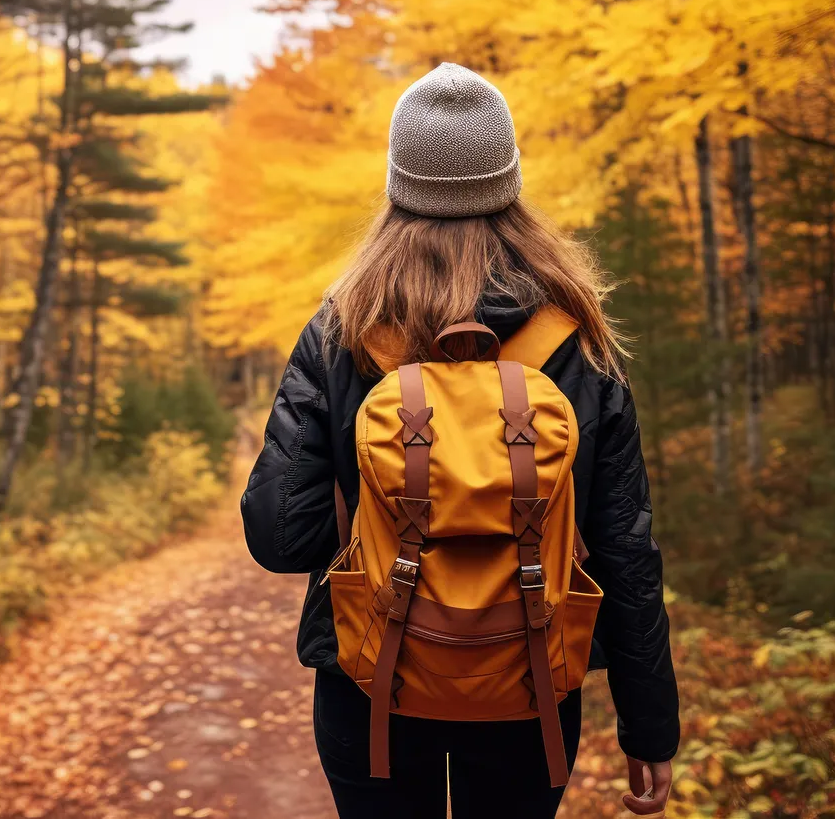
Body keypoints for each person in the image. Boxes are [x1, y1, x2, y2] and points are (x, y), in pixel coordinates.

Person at [240, 63, 679, 818]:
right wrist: (651, 724)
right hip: (530, 684)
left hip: (370, 683)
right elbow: (623, 544)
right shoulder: (575, 335)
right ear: (508, 181)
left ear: (396, 184)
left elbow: (279, 536)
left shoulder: (345, 327)